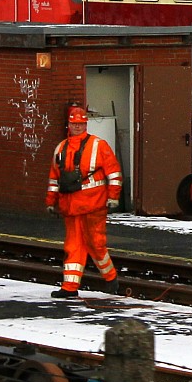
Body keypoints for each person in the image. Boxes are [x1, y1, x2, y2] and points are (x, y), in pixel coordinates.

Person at [45, 104, 123, 298]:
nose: (77, 127)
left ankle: (111, 278)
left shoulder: (98, 145)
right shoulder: (61, 148)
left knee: (96, 244)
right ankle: (69, 287)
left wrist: (113, 197)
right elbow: (54, 179)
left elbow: (114, 173)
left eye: (80, 124)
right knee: (73, 246)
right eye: (74, 124)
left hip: (93, 205)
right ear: (69, 125)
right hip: (71, 206)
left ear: (85, 124)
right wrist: (50, 201)